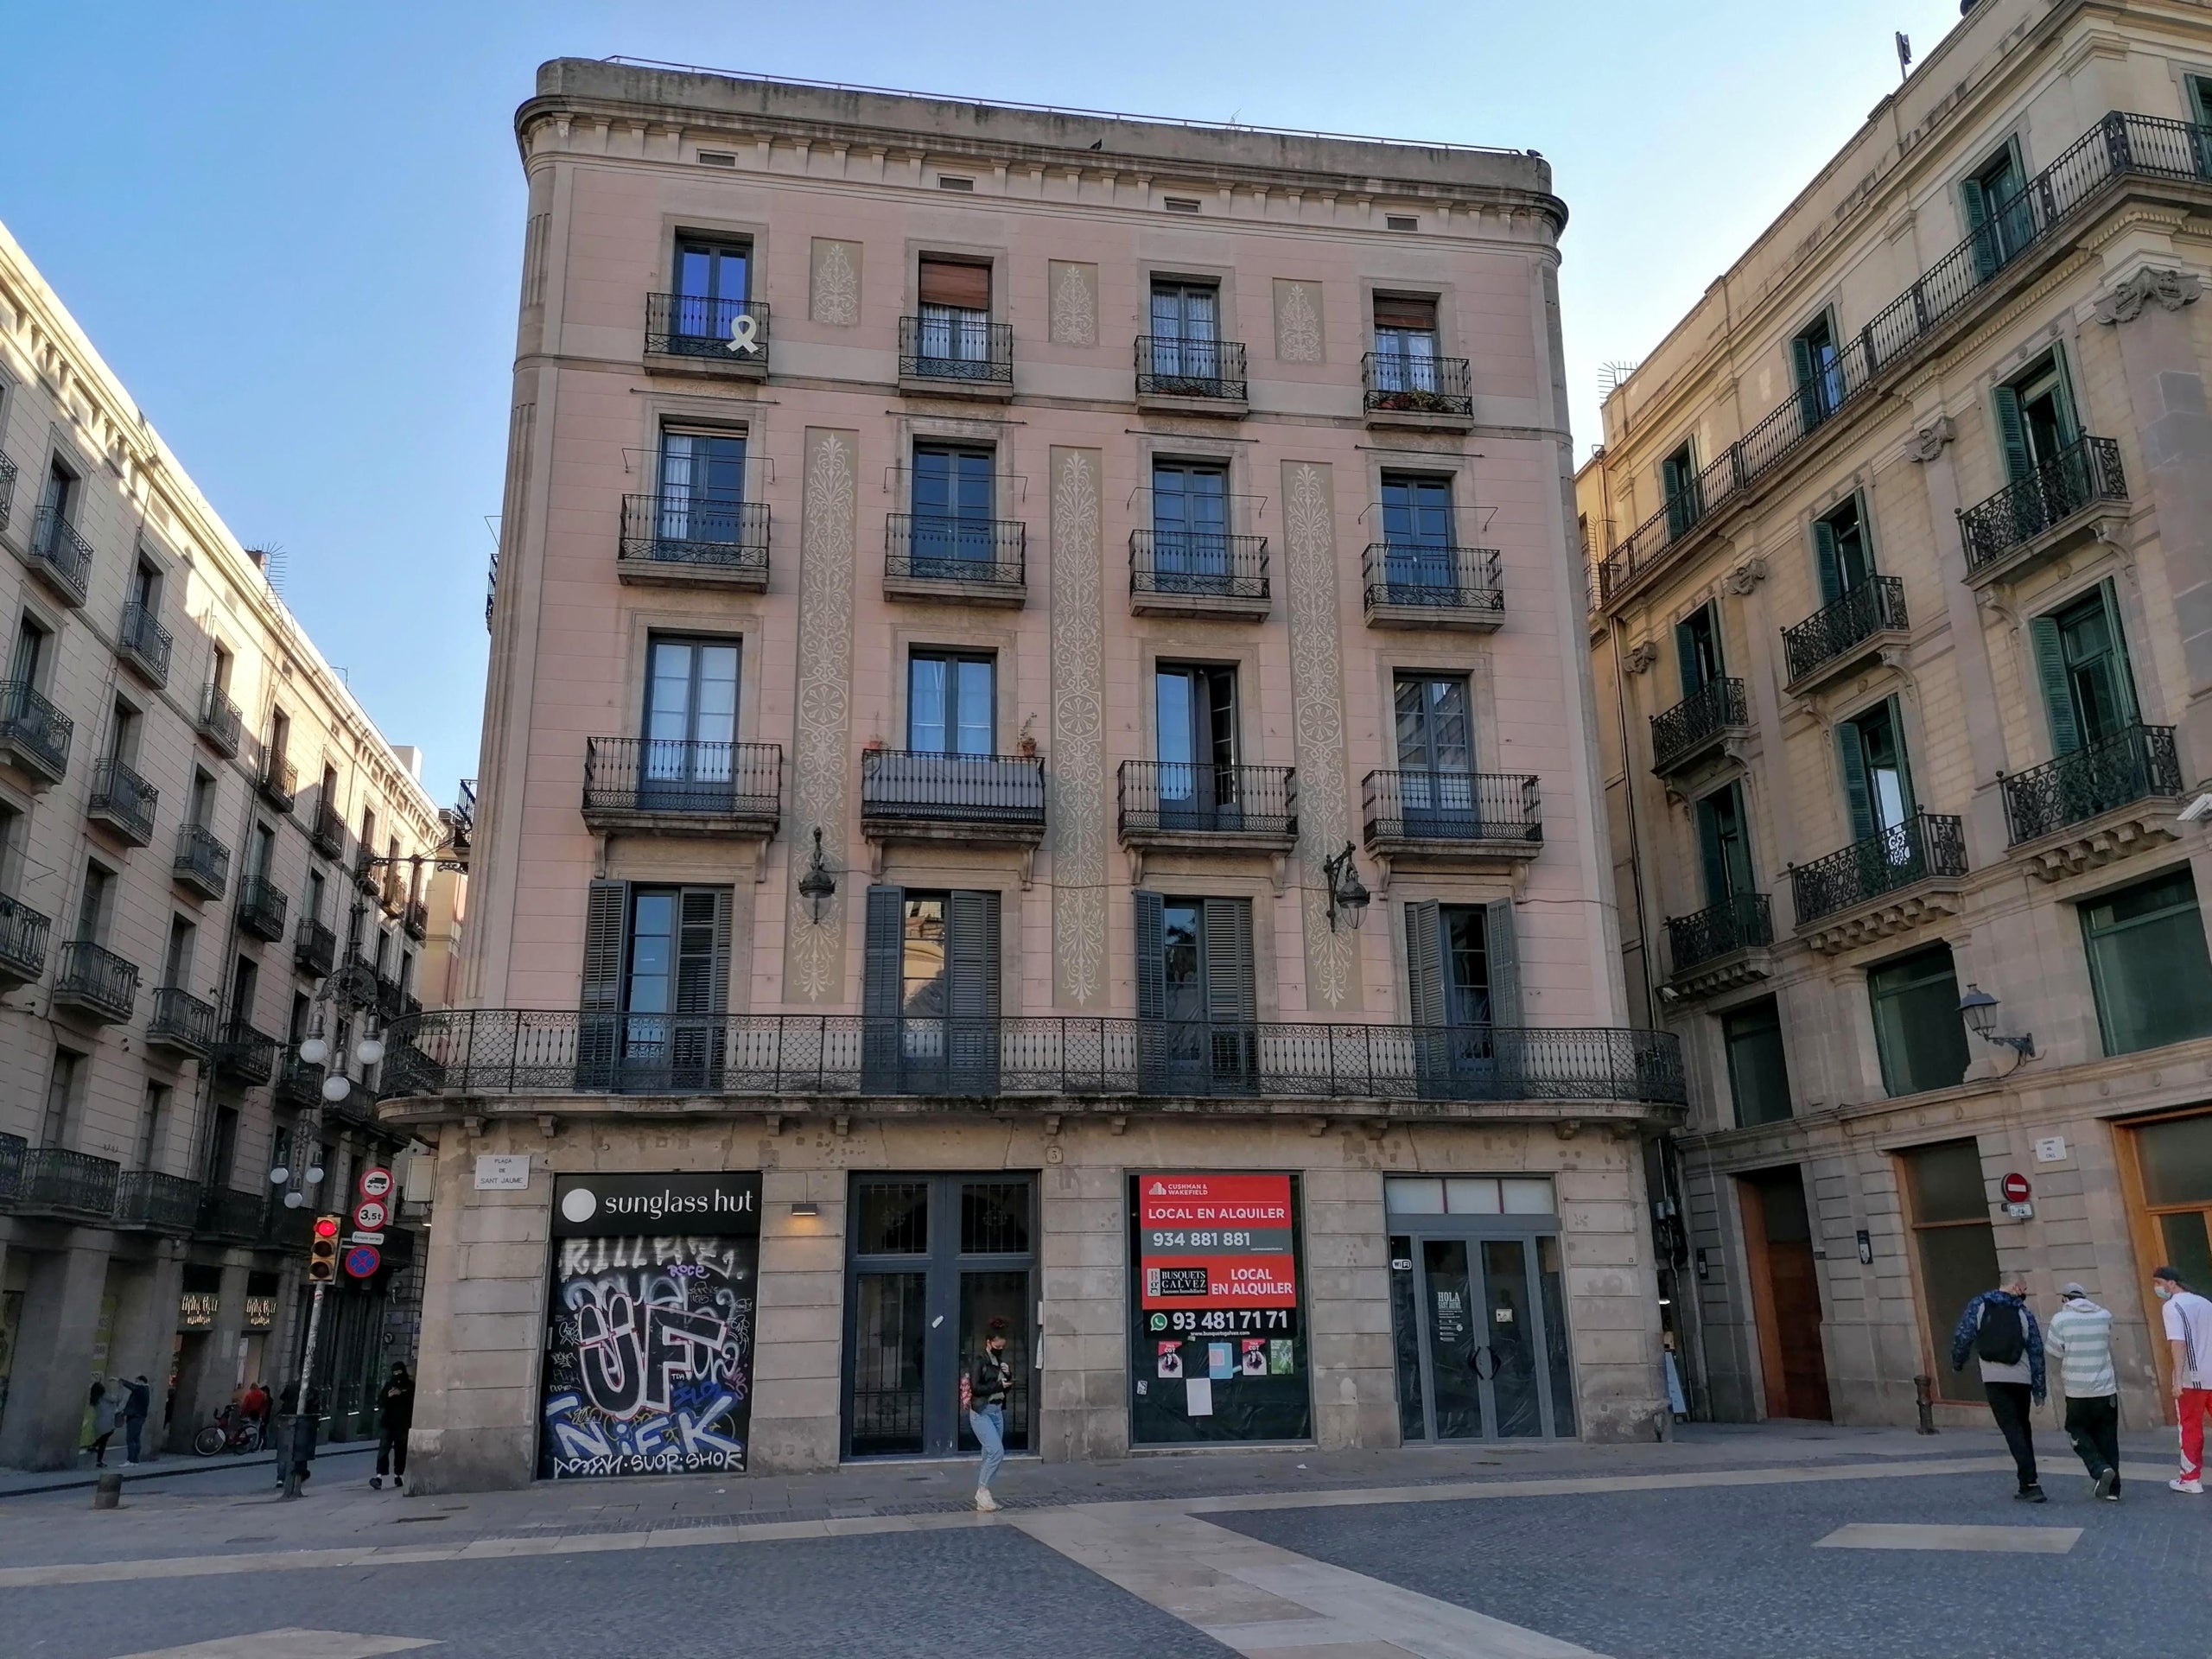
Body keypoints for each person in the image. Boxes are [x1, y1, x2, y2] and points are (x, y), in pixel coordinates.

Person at [1949, 1271, 2046, 1502]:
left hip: (1994, 1377)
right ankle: (2028, 1482)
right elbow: (2035, 1350)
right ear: (2015, 1287)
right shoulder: (2024, 1313)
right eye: (2023, 1287)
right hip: (2021, 1378)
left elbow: (1964, 1334)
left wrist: (1958, 1362)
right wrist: (2039, 1390)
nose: (2024, 1292)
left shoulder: (1980, 1304)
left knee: (2011, 1428)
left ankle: (2030, 1483)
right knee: (2022, 1428)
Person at [2045, 1283, 2120, 1501]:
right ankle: (2113, 1491)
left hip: (2078, 1391)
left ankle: (2099, 1469)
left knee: (2075, 1430)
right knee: (2108, 1437)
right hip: (2106, 1390)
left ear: (2065, 1299)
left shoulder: (2060, 1319)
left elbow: (2054, 1351)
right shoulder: (2104, 1315)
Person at [2153, 1265, 2212, 1494]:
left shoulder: (2172, 1307)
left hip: (2192, 1378)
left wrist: (2177, 1378)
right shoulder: (2206, 1303)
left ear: (2171, 1283)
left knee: (2190, 1426)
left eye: (2159, 1282)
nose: (2157, 1288)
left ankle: (2190, 1478)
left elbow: (2177, 1342)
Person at [967, 1318, 1014, 1513]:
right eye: (997, 1346)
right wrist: (998, 1385)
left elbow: (1003, 1390)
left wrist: (1008, 1376)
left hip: (996, 1411)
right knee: (997, 1452)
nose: (999, 1349)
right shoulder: (979, 1360)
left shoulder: (999, 1361)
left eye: (1002, 1346)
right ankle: (983, 1490)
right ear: (988, 1343)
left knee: (988, 1454)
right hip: (981, 1412)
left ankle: (983, 1496)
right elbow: (976, 1388)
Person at [372, 1363, 415, 1491]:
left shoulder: (409, 1385)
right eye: (394, 1373)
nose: (397, 1375)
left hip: (402, 1423)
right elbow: (380, 1402)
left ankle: (398, 1475)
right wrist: (388, 1396)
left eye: (399, 1372)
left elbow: (412, 1402)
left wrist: (401, 1394)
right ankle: (379, 1476)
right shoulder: (389, 1385)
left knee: (400, 1450)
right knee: (383, 1449)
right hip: (388, 1423)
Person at [118, 1374, 151, 1468]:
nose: (136, 1383)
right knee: (136, 1439)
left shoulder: (142, 1389)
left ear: (141, 1381)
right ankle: (135, 1460)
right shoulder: (144, 1390)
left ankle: (130, 1460)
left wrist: (121, 1380)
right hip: (138, 1417)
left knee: (130, 1439)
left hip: (135, 1417)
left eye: (137, 1381)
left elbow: (133, 1387)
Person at [85, 1380, 118, 1469]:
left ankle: (94, 1447)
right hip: (106, 1421)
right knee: (105, 1439)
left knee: (104, 1439)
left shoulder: (95, 1398)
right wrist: (115, 1388)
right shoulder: (105, 1396)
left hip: (98, 1421)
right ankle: (98, 1459)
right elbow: (115, 1399)